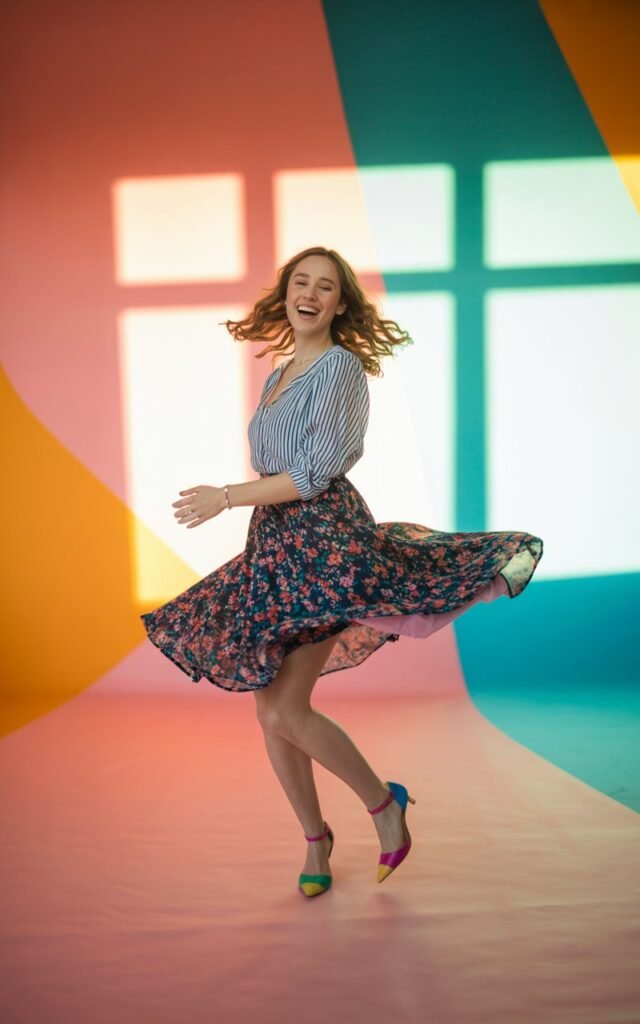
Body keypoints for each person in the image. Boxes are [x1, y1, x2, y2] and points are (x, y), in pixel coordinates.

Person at [140, 245, 543, 898]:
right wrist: (243, 504)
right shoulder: (280, 372)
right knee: (269, 710)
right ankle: (315, 840)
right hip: (276, 552)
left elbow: (309, 474)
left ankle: (385, 806)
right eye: (301, 281)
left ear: (339, 303)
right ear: (287, 293)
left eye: (325, 287)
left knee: (286, 709)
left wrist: (226, 495)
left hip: (327, 550)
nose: (310, 293)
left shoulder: (341, 369)